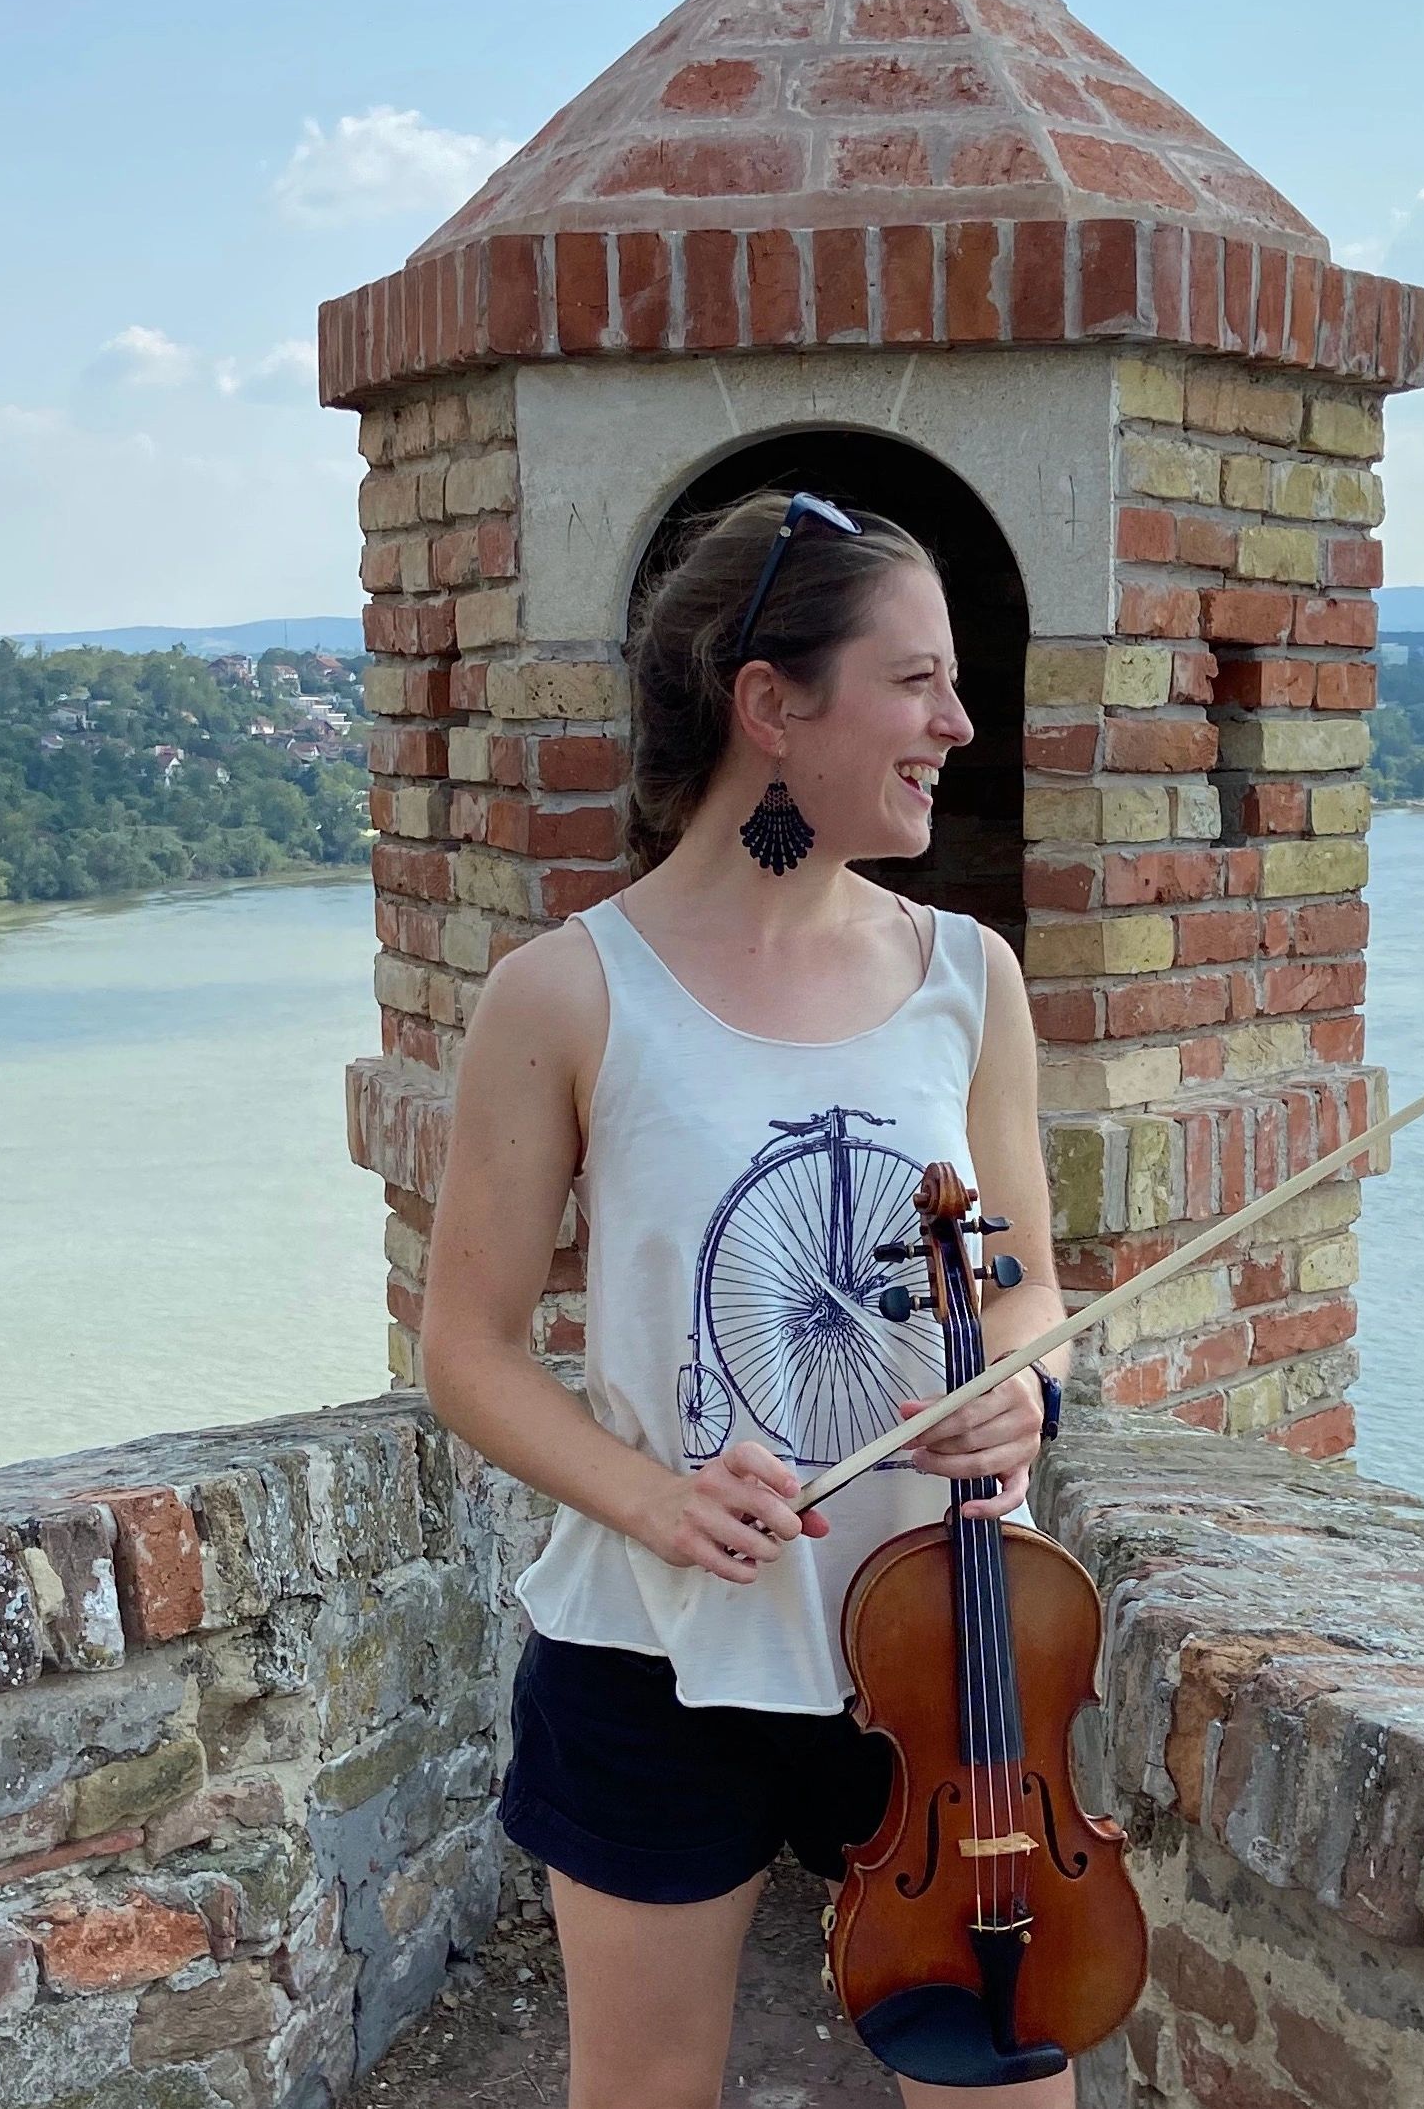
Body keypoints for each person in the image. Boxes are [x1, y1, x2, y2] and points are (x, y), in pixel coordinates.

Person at [420, 488, 1078, 2108]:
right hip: (650, 1657)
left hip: (946, 1653)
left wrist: (1022, 1386)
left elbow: (1027, 1281)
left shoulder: (967, 979)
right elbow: (467, 1346)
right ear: (771, 705)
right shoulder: (566, 992)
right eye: (915, 679)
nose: (959, 720)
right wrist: (652, 1497)